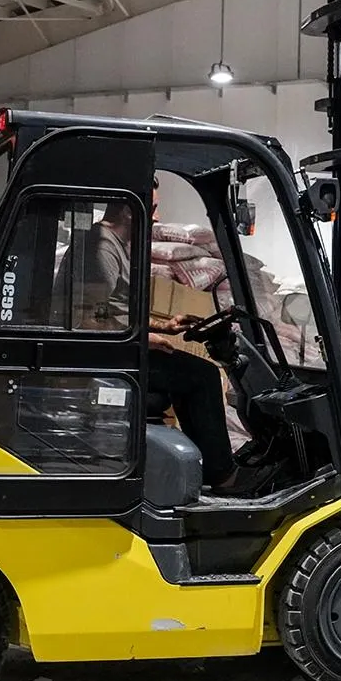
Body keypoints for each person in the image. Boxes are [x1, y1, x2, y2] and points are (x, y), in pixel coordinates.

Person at [74, 199, 237, 491]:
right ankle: (223, 475)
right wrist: (145, 340)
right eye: (154, 207)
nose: (158, 216)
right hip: (106, 357)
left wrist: (164, 326)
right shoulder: (102, 248)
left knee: (187, 374)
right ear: (128, 210)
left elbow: (114, 312)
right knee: (203, 375)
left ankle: (207, 470)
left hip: (118, 349)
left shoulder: (115, 245)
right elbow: (88, 320)